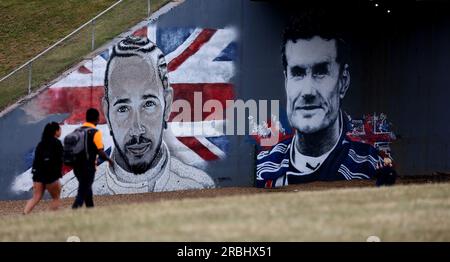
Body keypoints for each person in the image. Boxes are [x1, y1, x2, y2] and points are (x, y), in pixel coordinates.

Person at [61, 36, 214, 197]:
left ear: (167, 104)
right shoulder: (75, 194)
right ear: (107, 112)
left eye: (148, 104)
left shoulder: (198, 187)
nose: (136, 129)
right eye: (123, 108)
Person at [256, 13, 395, 187]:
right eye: (297, 73)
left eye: (321, 71)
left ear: (343, 82)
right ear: (286, 81)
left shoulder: (368, 165)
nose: (308, 92)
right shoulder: (265, 167)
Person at [71, 108, 113, 208]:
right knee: (83, 191)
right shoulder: (95, 132)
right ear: (97, 119)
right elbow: (100, 151)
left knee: (87, 189)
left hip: (76, 167)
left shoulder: (77, 131)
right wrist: (109, 159)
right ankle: (74, 210)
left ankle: (91, 210)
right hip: (88, 167)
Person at [23, 122, 63, 214]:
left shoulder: (41, 144)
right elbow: (60, 159)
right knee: (56, 199)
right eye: (59, 129)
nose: (61, 131)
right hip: (51, 176)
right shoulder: (57, 143)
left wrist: (34, 177)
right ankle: (46, 216)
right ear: (56, 131)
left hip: (38, 175)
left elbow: (36, 162)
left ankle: (24, 214)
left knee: (36, 197)